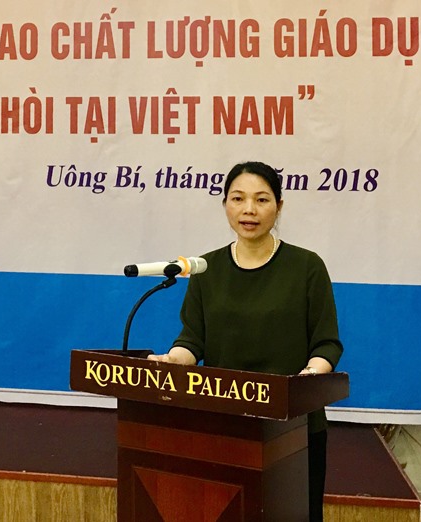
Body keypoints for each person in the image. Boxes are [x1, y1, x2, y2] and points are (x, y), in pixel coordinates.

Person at [148, 160, 343, 522]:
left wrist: (306, 381)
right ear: (225, 204)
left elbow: (326, 344)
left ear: (279, 206)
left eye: (261, 199)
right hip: (226, 423)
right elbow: (192, 341)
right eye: (238, 198)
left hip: (293, 425)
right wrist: (173, 360)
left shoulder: (307, 266)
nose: (249, 209)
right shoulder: (206, 268)